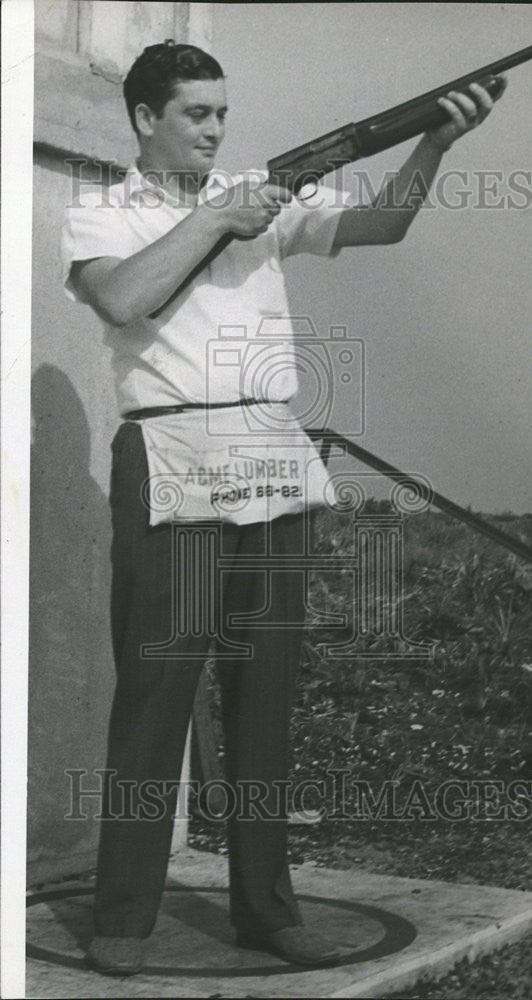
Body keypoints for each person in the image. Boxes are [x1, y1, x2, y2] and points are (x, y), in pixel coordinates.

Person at [61, 40, 504, 975]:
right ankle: (126, 917)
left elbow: (383, 225)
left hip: (267, 450)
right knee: (156, 697)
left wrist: (434, 145)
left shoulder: (270, 198)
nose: (216, 130)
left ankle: (268, 909)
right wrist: (218, 218)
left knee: (263, 698)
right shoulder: (102, 213)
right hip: (171, 450)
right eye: (195, 114)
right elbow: (123, 298)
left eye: (222, 113)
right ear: (145, 119)